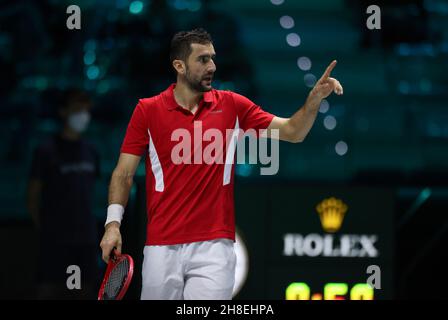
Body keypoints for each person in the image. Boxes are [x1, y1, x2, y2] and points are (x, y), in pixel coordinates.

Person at [99, 28, 343, 300]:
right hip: (161, 246)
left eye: (213, 58)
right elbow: (123, 173)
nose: (212, 66)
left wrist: (314, 101)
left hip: (215, 247)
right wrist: (112, 225)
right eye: (202, 59)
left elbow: (294, 132)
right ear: (179, 66)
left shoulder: (232, 106)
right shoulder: (148, 110)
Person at [28, 88, 101, 299]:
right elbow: (32, 195)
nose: (83, 114)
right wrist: (44, 227)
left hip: (84, 240)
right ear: (63, 111)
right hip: (55, 240)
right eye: (78, 108)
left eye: (86, 109)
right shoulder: (46, 150)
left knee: (80, 290)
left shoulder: (91, 151)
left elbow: (93, 193)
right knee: (48, 289)